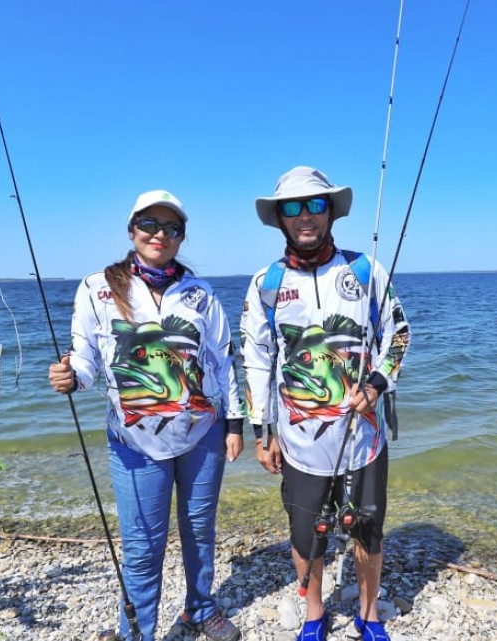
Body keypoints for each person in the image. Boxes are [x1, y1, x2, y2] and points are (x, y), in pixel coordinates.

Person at [47, 189, 244, 641]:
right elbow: (86, 362)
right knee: (141, 547)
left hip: (203, 434)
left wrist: (235, 424)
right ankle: (138, 631)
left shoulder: (201, 293)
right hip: (134, 443)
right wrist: (70, 377)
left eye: (171, 228)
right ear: (132, 230)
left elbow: (222, 360)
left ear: (181, 238)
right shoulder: (97, 288)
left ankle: (200, 607)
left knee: (199, 529)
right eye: (150, 225)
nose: (160, 234)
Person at [240, 166, 411, 641]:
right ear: (279, 219)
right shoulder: (265, 284)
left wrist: (375, 385)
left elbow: (398, 334)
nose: (305, 216)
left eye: (315, 204)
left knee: (367, 529)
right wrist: (263, 432)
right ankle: (314, 614)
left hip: (364, 438)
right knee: (305, 535)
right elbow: (256, 360)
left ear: (331, 211)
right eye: (292, 208)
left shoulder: (365, 270)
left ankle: (369, 613)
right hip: (298, 443)